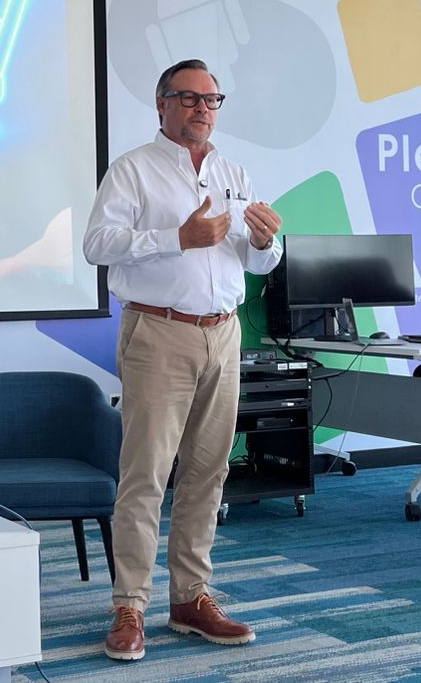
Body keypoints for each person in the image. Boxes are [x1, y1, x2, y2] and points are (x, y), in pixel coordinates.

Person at [83, 58, 283, 661]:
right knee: (146, 474)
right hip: (158, 333)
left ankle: (190, 597)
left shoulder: (233, 172)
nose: (203, 108)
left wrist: (267, 243)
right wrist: (178, 238)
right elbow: (97, 245)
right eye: (189, 97)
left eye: (212, 99)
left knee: (208, 472)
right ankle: (130, 606)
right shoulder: (133, 169)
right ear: (162, 103)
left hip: (224, 334)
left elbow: (255, 261)